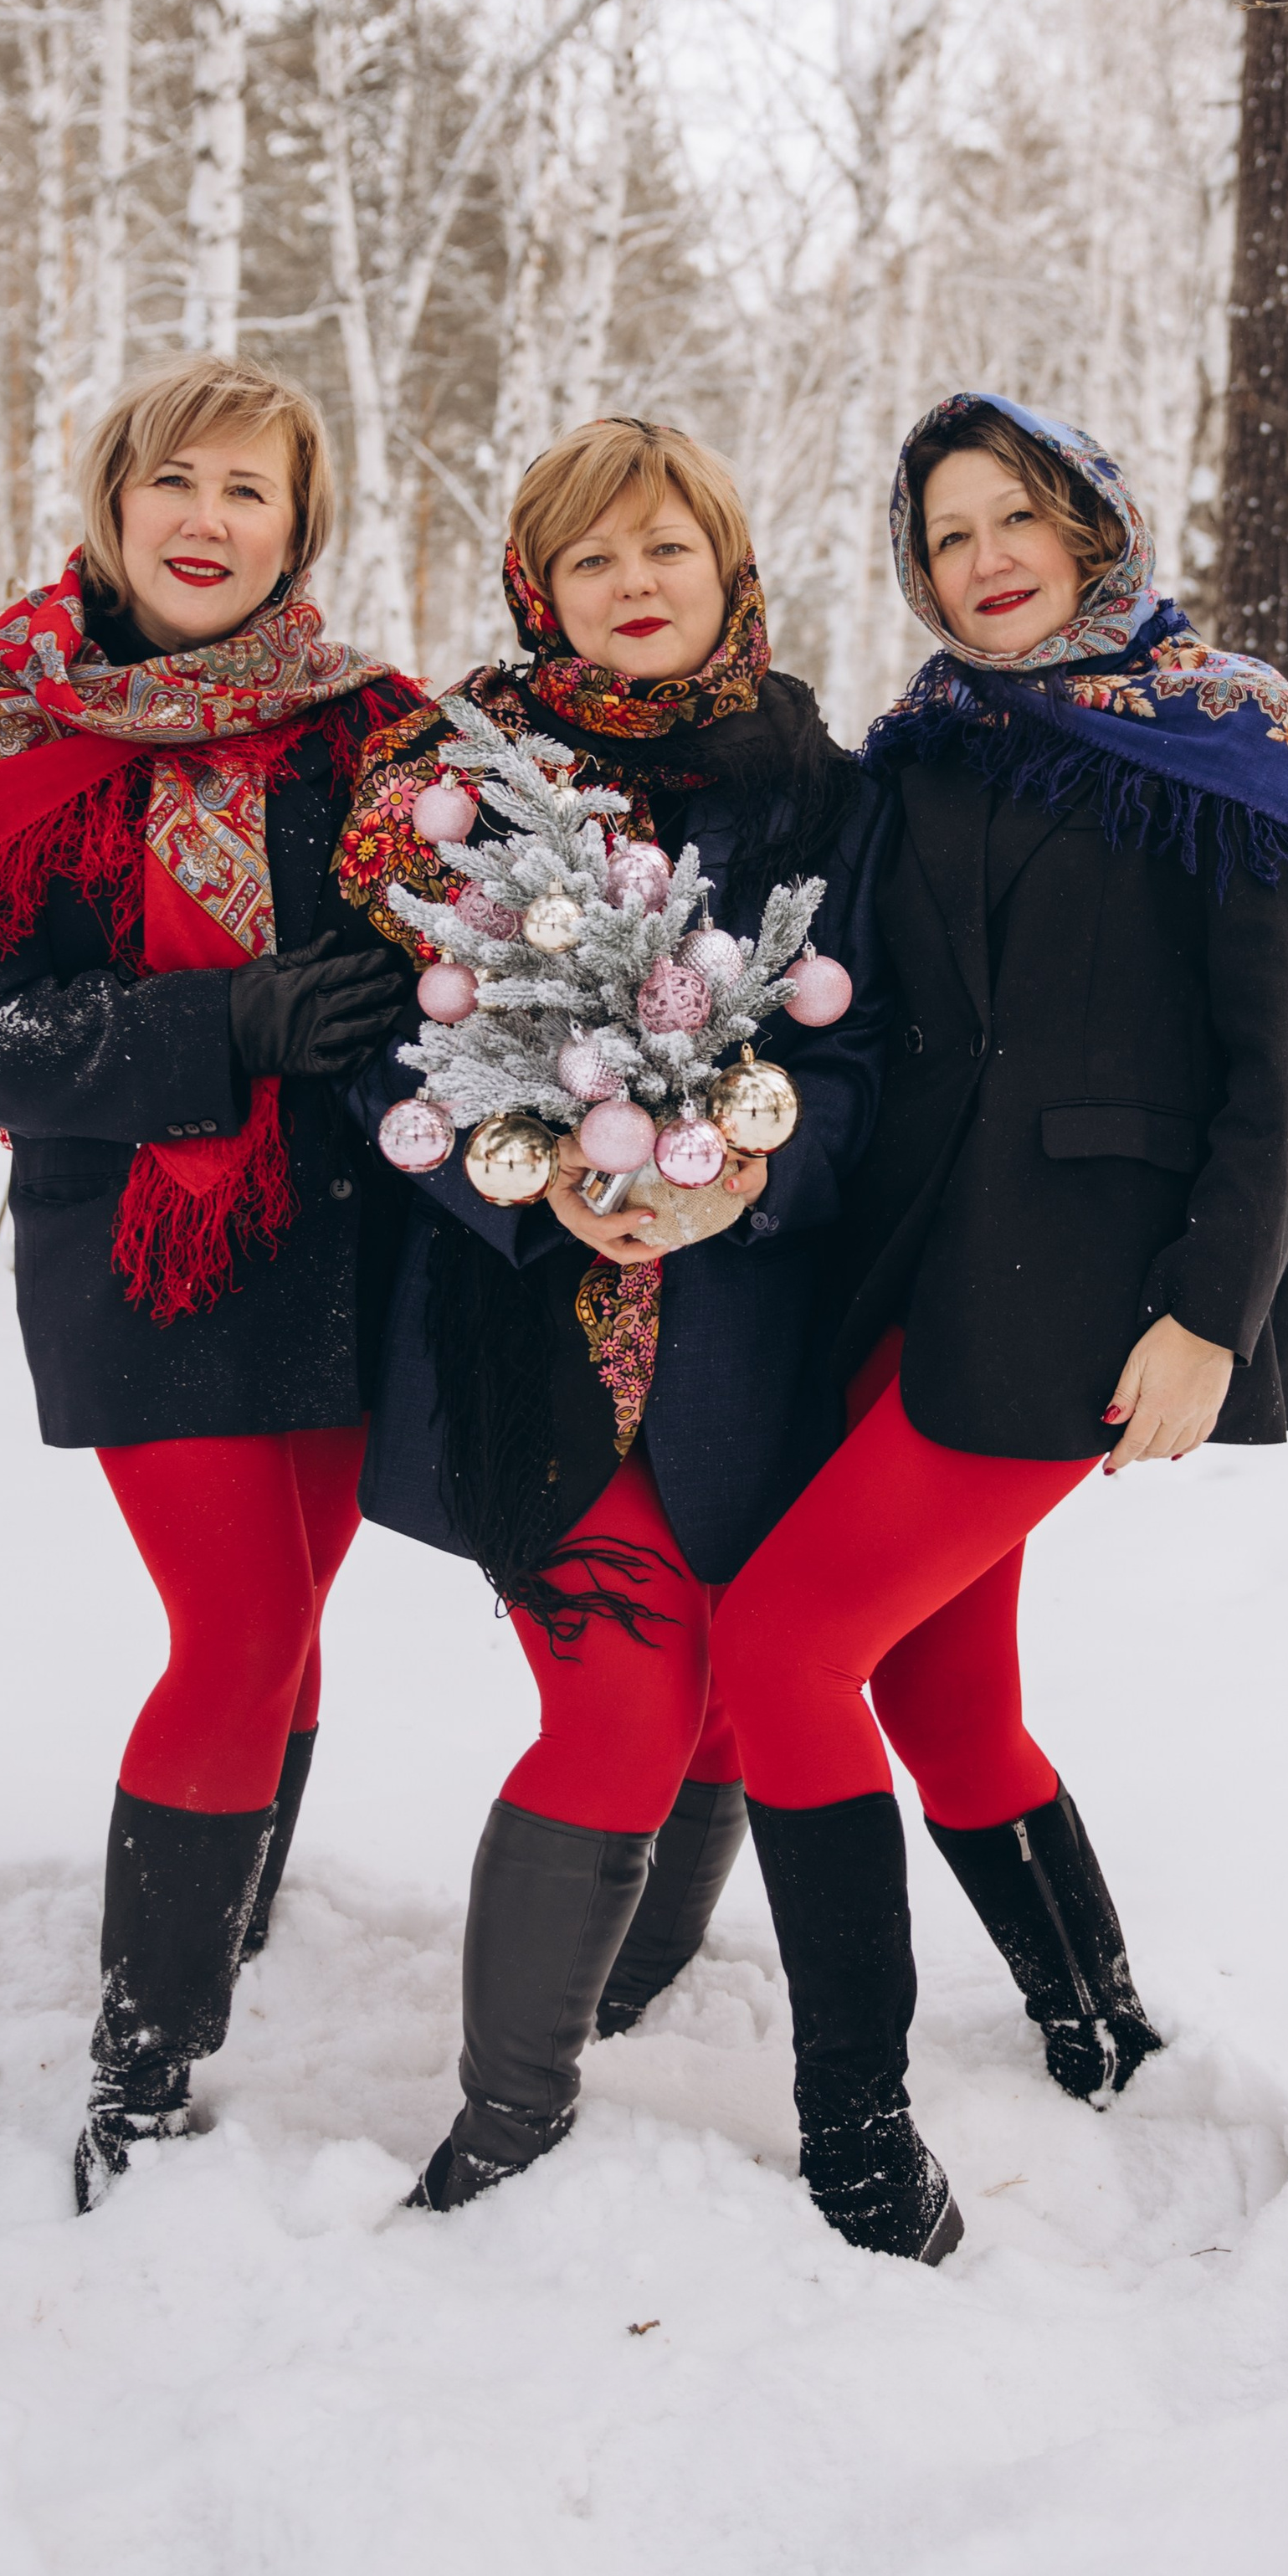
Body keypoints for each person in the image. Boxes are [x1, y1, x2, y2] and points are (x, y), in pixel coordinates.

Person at [708, 394, 1288, 2263]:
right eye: (944, 535)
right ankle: (1098, 2026)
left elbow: (1285, 1072)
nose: (982, 561)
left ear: (1091, 523)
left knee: (780, 1653)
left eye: (1017, 519)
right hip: (902, 1274)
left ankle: (857, 2129)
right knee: (936, 1689)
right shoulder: (925, 747)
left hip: (1083, 1295)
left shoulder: (1223, 738)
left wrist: (1204, 1319)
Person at [335, 414, 890, 2213]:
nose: (633, 586)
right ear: (539, 587)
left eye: (665, 548)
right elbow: (377, 1047)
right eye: (592, 559)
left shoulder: (823, 783)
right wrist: (516, 1168)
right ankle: (508, 2117)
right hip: (528, 1346)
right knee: (624, 1705)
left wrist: (759, 1166)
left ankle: (630, 1975)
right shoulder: (458, 784)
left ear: (728, 566)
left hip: (757, 1346)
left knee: (727, 1698)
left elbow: (883, 1052)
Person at [0, 357, 420, 2210]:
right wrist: (230, 1021)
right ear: (115, 504)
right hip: (137, 1247)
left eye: (252, 493)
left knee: (301, 1598)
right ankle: (148, 2058)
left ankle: (227, 1913)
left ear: (298, 529)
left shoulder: (367, 729)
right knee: (239, 1626)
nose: (209, 520)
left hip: (343, 1240)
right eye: (175, 482)